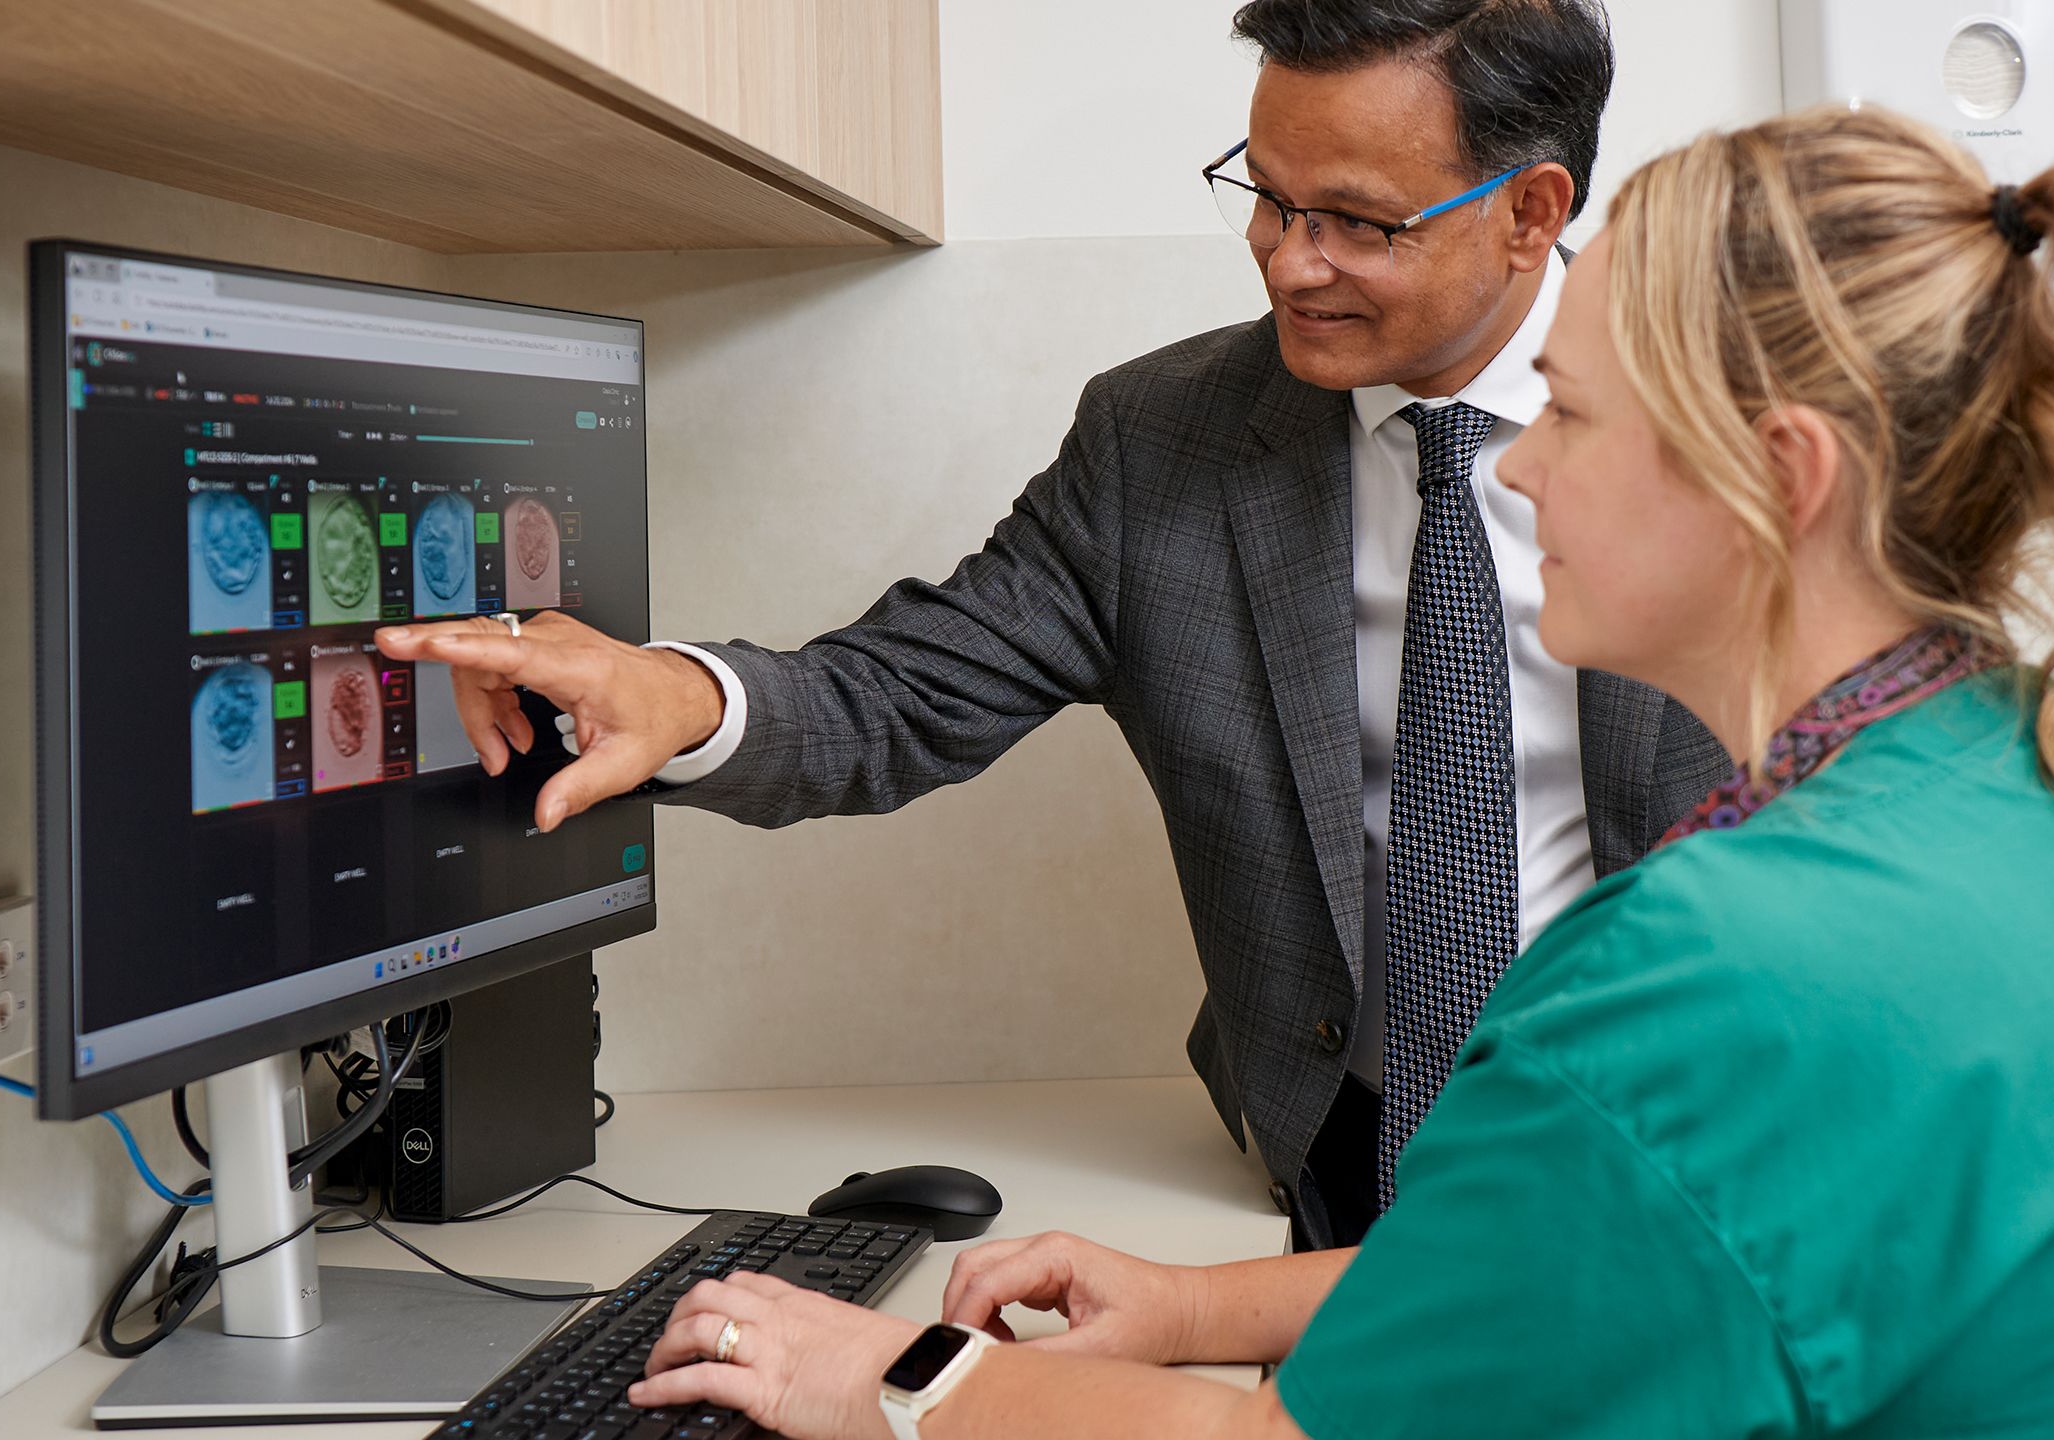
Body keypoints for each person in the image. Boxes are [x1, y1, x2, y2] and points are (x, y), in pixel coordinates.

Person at [607, 105, 2054, 1439]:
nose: (1523, 464)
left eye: (1572, 414)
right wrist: (1197, 1307)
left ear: (1778, 479)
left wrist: (887, 1381)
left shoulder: (1701, 977)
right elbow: (1608, 1244)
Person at [378, 0, 1730, 1251]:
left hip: (1692, 1140)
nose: (1286, 259)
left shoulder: (1744, 421)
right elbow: (907, 692)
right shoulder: (1163, 440)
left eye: (1357, 223)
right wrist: (682, 698)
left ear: (1529, 211)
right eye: (1267, 196)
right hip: (1337, 1151)